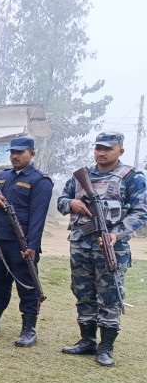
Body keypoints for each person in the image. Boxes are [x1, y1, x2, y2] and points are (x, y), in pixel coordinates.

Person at [57, 132, 147, 366]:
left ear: (120, 151)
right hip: (81, 245)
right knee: (83, 292)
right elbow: (61, 201)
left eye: (108, 148)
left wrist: (117, 233)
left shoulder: (132, 177)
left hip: (112, 247)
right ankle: (87, 340)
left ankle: (106, 347)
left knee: (110, 295)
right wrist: (71, 203)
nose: (101, 153)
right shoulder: (81, 176)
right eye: (98, 148)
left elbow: (141, 212)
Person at [0, 136, 53, 346]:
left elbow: (38, 218)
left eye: (20, 152)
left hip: (21, 243)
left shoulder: (40, 181)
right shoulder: (1, 177)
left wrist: (32, 246)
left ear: (32, 154)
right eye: (12, 152)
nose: (15, 156)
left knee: (27, 285)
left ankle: (29, 330)